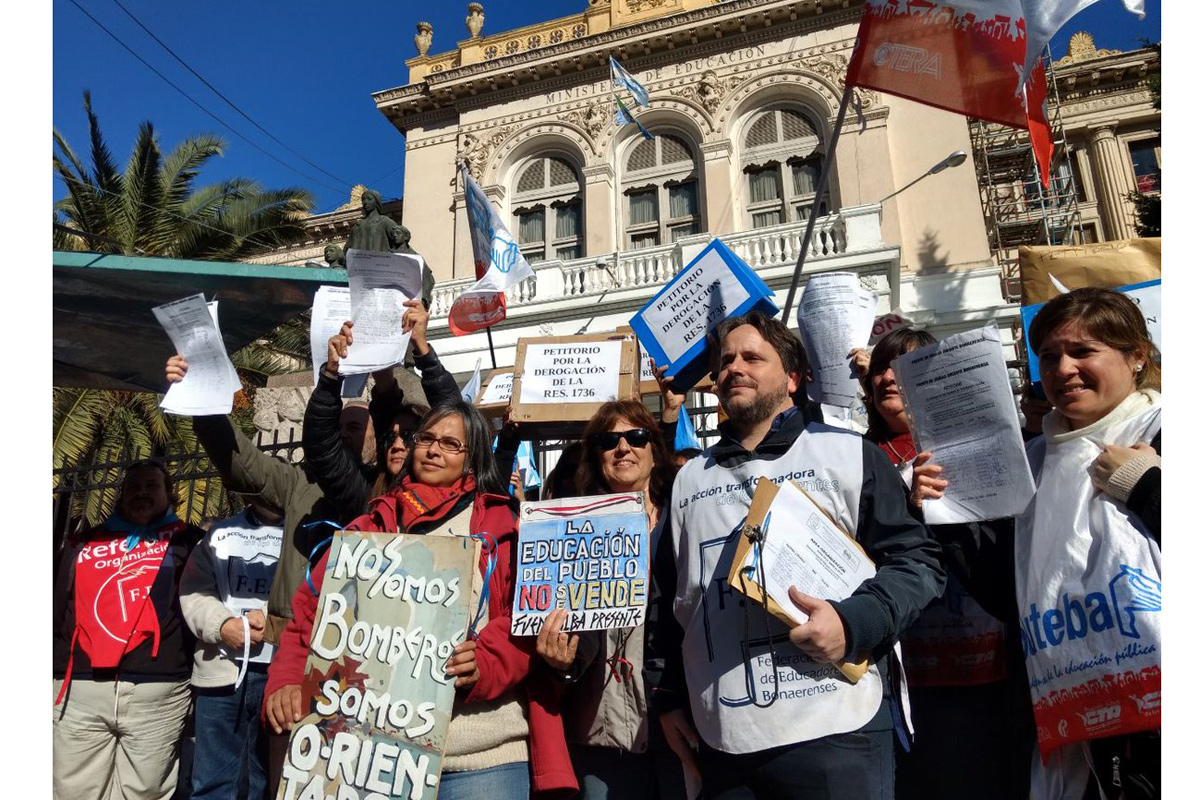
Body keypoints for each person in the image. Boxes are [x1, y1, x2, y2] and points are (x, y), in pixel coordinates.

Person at [648, 310, 945, 799]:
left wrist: (853, 624)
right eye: (725, 361)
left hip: (837, 733)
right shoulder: (687, 480)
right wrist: (667, 699)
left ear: (791, 379)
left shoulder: (850, 455)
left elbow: (917, 564)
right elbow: (667, 603)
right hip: (723, 739)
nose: (733, 369)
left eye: (752, 357)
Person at [263, 400, 577, 799]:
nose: (433, 449)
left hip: (481, 757)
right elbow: (310, 615)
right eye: (426, 438)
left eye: (450, 444)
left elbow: (528, 613)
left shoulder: (502, 526)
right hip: (371, 761)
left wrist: (486, 660)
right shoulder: (369, 526)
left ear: (472, 459)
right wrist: (288, 681)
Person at [923, 288, 1161, 799]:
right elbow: (1010, 595)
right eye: (1049, 356)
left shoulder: (1164, 430)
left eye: (1083, 351)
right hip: (1066, 716)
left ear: (1137, 355)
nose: (1063, 369)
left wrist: (1145, 485)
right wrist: (945, 514)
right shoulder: (1030, 461)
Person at [854, 327, 1023, 800]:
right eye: (882, 367)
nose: (887, 376)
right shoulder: (854, 458)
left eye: (904, 368)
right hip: (905, 676)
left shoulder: (987, 444)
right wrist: (906, 513)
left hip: (993, 666)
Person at [535, 400, 685, 799]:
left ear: (654, 448)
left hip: (682, 719)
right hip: (603, 733)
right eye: (608, 440)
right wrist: (560, 662)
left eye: (636, 437)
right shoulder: (568, 531)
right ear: (595, 456)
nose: (623, 448)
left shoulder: (685, 518)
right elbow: (567, 622)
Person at [53, 461, 206, 800]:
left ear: (170, 494)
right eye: (133, 486)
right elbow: (58, 606)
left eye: (151, 486)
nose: (141, 493)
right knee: (72, 787)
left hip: (157, 692)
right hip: (81, 687)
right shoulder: (84, 542)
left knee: (146, 790)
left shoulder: (191, 542)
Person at [179, 496, 285, 800]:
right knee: (211, 784)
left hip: (277, 675)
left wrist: (270, 620)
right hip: (221, 672)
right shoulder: (219, 534)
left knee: (265, 784)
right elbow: (194, 590)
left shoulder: (303, 535)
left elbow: (308, 590)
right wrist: (223, 626)